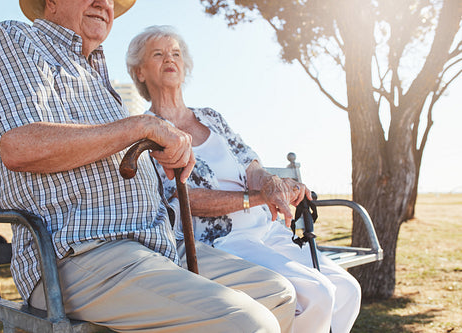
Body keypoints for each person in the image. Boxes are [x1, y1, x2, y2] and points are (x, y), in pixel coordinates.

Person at [0, 1, 298, 332]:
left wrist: (159, 152)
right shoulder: (15, 38)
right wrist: (140, 127)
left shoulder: (97, 77)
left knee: (280, 295)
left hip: (155, 244)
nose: (104, 4)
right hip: (79, 253)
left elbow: (122, 146)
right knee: (248, 324)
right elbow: (19, 146)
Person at [126, 25, 362, 333]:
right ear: (140, 72)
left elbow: (251, 165)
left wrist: (272, 185)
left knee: (346, 290)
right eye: (158, 54)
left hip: (264, 229)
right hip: (220, 243)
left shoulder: (211, 117)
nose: (170, 59)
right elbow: (179, 196)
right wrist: (258, 198)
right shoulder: (150, 129)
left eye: (176, 53)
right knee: (316, 295)